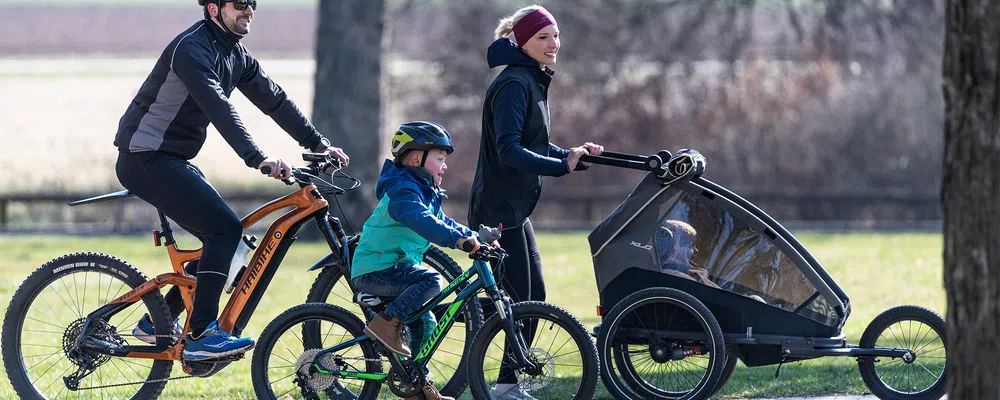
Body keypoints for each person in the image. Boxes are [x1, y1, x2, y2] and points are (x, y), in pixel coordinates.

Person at [114, 0, 349, 361]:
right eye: (240, 4)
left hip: (171, 159)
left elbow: (275, 100)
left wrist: (318, 143)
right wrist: (258, 157)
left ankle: (154, 324)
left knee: (230, 238)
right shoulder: (191, 48)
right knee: (223, 229)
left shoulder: (236, 54)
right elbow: (218, 106)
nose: (249, 11)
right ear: (213, 9)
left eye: (253, 5)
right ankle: (202, 334)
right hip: (145, 157)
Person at [467, 5, 604, 399]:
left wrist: (571, 155)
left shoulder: (530, 80)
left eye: (556, 35)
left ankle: (508, 382)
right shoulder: (514, 84)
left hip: (515, 209)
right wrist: (561, 166)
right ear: (522, 43)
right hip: (497, 210)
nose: (553, 44)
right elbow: (509, 151)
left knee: (533, 295)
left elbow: (535, 145)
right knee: (520, 300)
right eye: (543, 37)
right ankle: (506, 385)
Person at [351, 121, 481, 400]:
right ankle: (386, 324)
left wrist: (473, 236)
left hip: (394, 269)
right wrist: (457, 241)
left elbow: (441, 221)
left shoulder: (423, 191)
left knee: (426, 324)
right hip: (376, 269)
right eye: (440, 159)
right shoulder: (403, 191)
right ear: (415, 158)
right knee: (431, 279)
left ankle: (415, 387)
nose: (444, 166)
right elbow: (420, 219)